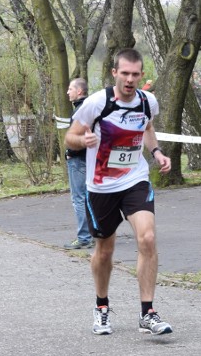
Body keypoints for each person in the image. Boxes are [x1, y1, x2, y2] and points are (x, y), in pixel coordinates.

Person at [64, 48, 174, 336]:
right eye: (124, 73)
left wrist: (157, 152)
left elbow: (147, 127)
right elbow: (70, 136)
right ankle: (101, 306)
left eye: (135, 74)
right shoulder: (96, 103)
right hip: (100, 187)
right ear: (114, 73)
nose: (130, 79)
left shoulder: (147, 101)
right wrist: (82, 139)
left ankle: (147, 312)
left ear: (141, 75)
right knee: (105, 250)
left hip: (134, 179)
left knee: (147, 238)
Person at [63, 78, 93, 250]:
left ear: (79, 91)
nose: (68, 92)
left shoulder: (80, 111)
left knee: (79, 198)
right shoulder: (90, 109)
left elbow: (80, 138)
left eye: (70, 89)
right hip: (89, 159)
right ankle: (94, 234)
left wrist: (71, 153)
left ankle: (84, 237)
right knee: (90, 197)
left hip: (79, 160)